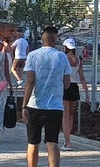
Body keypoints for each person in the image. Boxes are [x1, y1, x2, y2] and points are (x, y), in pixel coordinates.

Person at [22, 26, 72, 167]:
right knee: (52, 142)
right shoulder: (61, 56)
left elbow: (30, 81)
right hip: (55, 106)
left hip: (35, 104)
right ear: (55, 39)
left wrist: (24, 105)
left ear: (42, 38)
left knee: (33, 142)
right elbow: (67, 83)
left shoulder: (33, 55)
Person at [60, 38, 88, 150]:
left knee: (65, 115)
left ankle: (67, 141)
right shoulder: (78, 60)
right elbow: (82, 78)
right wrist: (87, 93)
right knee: (71, 114)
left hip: (65, 86)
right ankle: (68, 138)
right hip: (74, 86)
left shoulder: (63, 58)